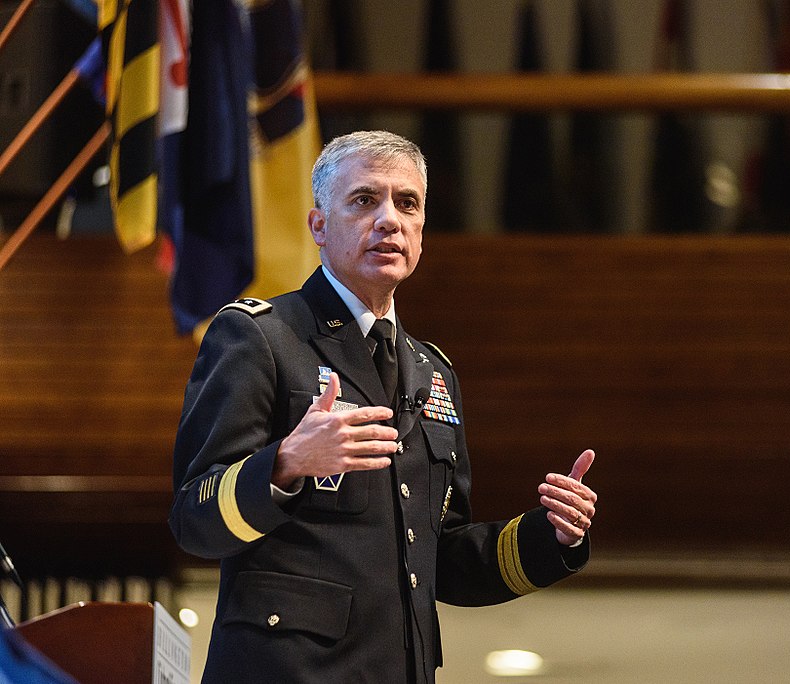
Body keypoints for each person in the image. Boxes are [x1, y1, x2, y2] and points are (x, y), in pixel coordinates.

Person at [169, 130, 598, 683]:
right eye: (365, 200)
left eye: (408, 203)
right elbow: (192, 518)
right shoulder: (260, 340)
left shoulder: (432, 370)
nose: (390, 219)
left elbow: (440, 556)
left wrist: (551, 535)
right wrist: (285, 464)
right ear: (319, 226)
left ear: (421, 231)